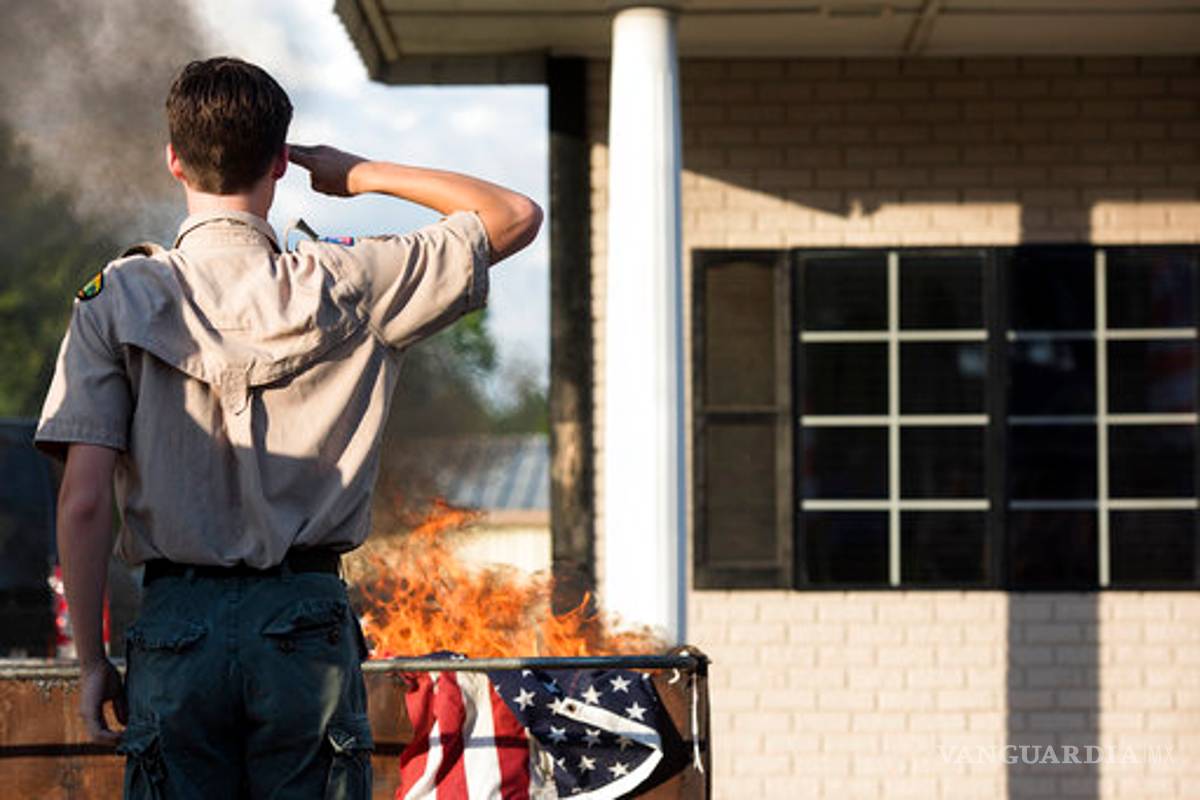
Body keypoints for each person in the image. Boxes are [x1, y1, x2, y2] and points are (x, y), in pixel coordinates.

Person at [36, 56, 541, 798]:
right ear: (280, 161)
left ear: (173, 160)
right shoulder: (352, 281)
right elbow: (514, 215)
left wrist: (90, 664)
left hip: (176, 624)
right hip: (304, 624)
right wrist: (358, 172)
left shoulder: (116, 299)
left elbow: (82, 501)